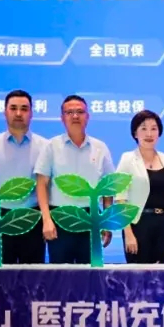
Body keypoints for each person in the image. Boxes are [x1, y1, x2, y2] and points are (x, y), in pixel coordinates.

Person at [34, 95, 116, 264]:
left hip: (91, 217)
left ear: (88, 116)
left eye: (80, 112)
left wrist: (107, 221)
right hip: (59, 218)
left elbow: (108, 188)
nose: (75, 116)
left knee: (90, 273)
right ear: (62, 118)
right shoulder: (51, 146)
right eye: (69, 112)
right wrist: (46, 219)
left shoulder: (100, 148)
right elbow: (41, 184)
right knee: (60, 274)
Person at [0, 89, 48, 264]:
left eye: (24, 109)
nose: (18, 113)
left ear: (31, 113)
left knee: (33, 275)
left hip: (33, 217)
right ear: (5, 112)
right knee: (1, 275)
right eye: (13, 108)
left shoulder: (45, 146)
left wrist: (47, 220)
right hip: (0, 217)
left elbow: (47, 187)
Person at [114, 110, 164, 264]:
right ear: (135, 133)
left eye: (153, 128)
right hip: (138, 224)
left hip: (163, 224)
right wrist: (128, 234)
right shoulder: (127, 159)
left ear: (159, 133)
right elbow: (120, 199)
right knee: (138, 275)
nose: (149, 134)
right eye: (143, 128)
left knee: (160, 274)